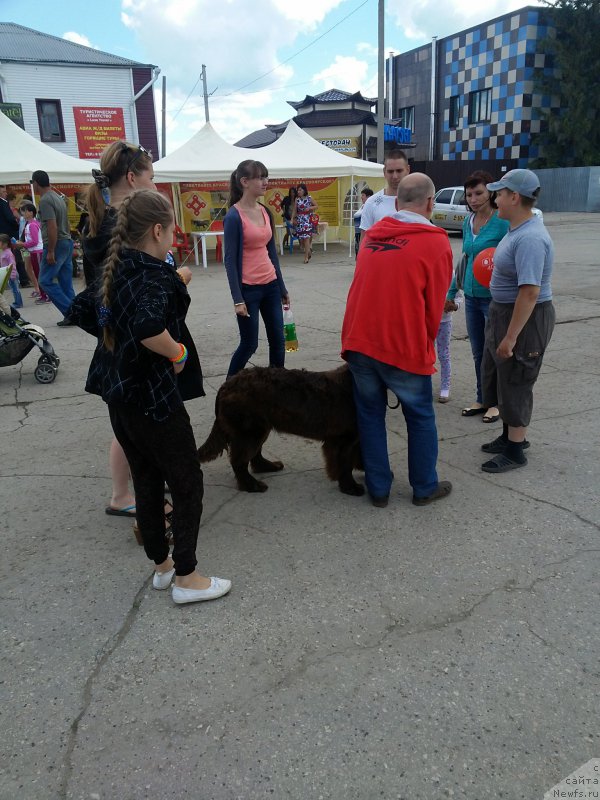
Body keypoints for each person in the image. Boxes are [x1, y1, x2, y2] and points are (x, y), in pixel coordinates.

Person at [69, 190, 231, 604]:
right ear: (157, 230)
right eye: (172, 230)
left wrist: (118, 341)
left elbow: (83, 309)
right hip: (153, 398)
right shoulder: (156, 276)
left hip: (117, 396)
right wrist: (177, 352)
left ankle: (162, 567)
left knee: (146, 478)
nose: (174, 238)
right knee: (186, 481)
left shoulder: (116, 268)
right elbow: (147, 326)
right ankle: (188, 577)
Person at [82, 139, 200, 519]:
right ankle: (128, 496)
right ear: (133, 178)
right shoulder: (122, 223)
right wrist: (175, 279)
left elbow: (105, 295)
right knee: (136, 421)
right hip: (141, 343)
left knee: (131, 420)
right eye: (151, 177)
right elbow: (135, 297)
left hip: (123, 338)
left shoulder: (102, 218)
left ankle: (140, 488)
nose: (155, 184)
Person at [341, 173, 453, 507]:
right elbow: (434, 308)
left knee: (370, 415)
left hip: (359, 341)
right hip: (401, 344)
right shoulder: (435, 241)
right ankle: (423, 486)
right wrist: (424, 346)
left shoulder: (373, 233)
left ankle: (378, 489)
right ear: (430, 203)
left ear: (396, 202)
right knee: (419, 416)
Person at [479, 169, 555, 473]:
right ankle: (508, 435)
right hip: (505, 312)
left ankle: (515, 449)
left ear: (514, 196)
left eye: (499, 193)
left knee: (518, 377)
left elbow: (530, 292)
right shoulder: (517, 230)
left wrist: (511, 337)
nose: (494, 198)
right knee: (502, 376)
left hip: (524, 318)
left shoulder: (532, 238)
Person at [446, 170, 510, 423]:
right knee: (478, 352)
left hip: (495, 298)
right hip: (472, 297)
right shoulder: (468, 221)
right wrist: (453, 291)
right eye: (469, 194)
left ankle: (498, 403)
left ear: (491, 192)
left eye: (479, 193)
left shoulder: (502, 222)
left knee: (495, 351)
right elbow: (465, 260)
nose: (473, 198)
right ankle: (482, 398)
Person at [223, 159, 289, 378]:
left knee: (279, 342)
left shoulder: (265, 212)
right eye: (260, 177)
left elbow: (272, 253)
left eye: (265, 176)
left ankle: (276, 390)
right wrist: (237, 299)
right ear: (244, 182)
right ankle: (228, 389)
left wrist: (282, 288)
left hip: (270, 285)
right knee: (249, 345)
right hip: (248, 290)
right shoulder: (234, 216)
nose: (265, 182)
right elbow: (230, 260)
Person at [31, 170, 75, 325]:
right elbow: (66, 223)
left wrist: (50, 250)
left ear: (36, 182)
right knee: (65, 282)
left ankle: (71, 313)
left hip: (56, 243)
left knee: (45, 280)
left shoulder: (45, 200)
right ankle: (79, 313)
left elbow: (52, 226)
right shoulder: (57, 197)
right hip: (66, 241)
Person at [358, 149, 411, 245]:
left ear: (407, 170)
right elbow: (364, 240)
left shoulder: (418, 201)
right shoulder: (371, 202)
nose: (395, 176)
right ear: (384, 172)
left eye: (399, 171)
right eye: (390, 171)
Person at [14, 202, 47, 302]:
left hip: (35, 251)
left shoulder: (32, 224)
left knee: (39, 273)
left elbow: (34, 241)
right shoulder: (30, 223)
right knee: (36, 272)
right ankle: (42, 294)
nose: (23, 212)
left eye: (25, 210)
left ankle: (44, 295)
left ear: (31, 213)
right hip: (32, 251)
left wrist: (22, 244)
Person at [435, 288, 464, 403]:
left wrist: (455, 306)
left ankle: (445, 388)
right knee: (426, 353)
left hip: (444, 322)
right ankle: (422, 384)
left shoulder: (451, 276)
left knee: (443, 355)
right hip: (427, 320)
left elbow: (459, 297)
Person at [292, 183, 318, 263]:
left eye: (300, 190)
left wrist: (310, 208)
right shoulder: (297, 199)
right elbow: (294, 210)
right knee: (302, 239)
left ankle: (306, 257)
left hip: (307, 220)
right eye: (298, 190)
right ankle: (309, 251)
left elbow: (316, 206)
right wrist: (292, 218)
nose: (298, 191)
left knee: (306, 238)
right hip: (300, 220)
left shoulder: (309, 198)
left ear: (304, 190)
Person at [0, 234, 22, 309]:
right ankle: (17, 302)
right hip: (8, 274)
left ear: (5, 243)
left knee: (15, 289)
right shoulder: (3, 252)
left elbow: (13, 264)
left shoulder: (8, 253)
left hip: (12, 274)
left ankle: (18, 303)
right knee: (13, 289)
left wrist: (12, 275)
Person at [354, 187, 373, 256]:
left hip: (364, 233)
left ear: (369, 196)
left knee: (361, 252)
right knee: (357, 252)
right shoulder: (362, 206)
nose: (361, 197)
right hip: (357, 233)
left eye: (363, 195)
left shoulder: (370, 206)